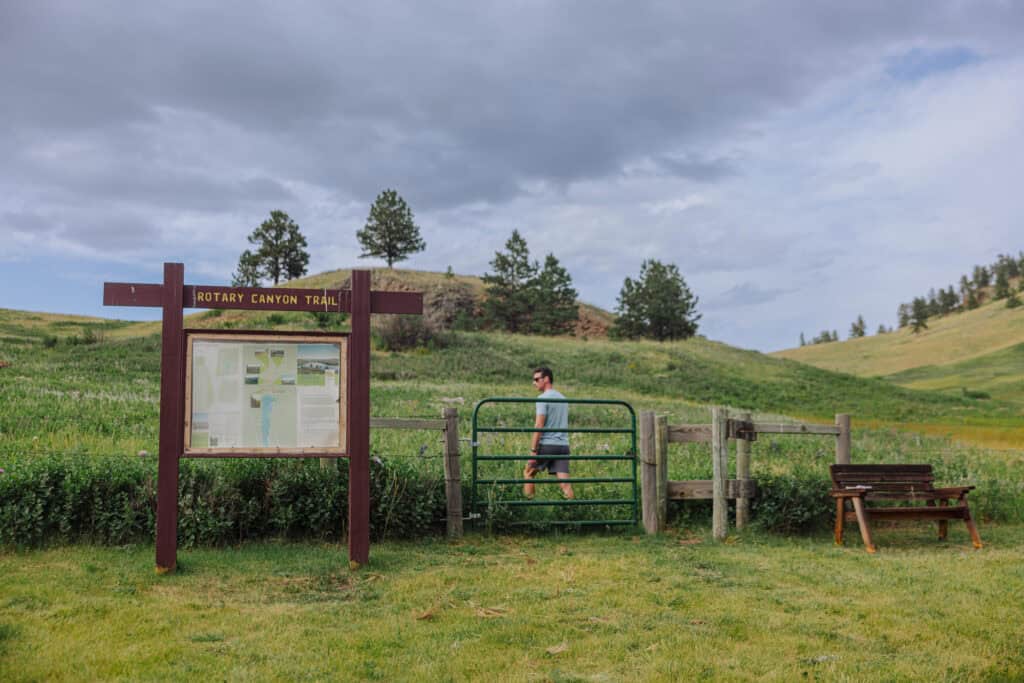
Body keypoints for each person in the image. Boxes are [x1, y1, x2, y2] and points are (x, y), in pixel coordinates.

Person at [523, 366, 574, 499]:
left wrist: (533, 450)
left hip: (547, 445)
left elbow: (539, 425)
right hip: (563, 446)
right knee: (565, 484)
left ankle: (529, 504)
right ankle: (572, 509)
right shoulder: (563, 398)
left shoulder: (542, 398)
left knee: (528, 473)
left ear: (546, 379)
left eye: (536, 379)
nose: (533, 382)